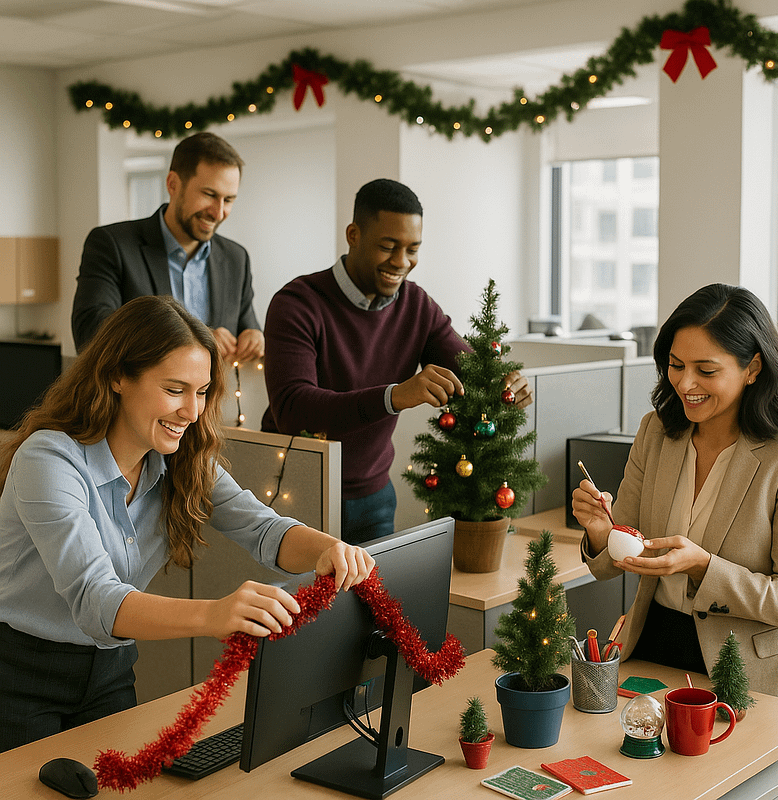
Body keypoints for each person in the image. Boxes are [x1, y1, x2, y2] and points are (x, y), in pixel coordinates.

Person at [0, 295, 374, 752]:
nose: (192, 412)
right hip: (17, 672)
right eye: (175, 390)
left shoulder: (184, 460)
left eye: (201, 393)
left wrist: (329, 549)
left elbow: (264, 530)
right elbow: (94, 597)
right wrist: (214, 614)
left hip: (110, 669)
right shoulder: (48, 459)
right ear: (117, 376)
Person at [260, 179, 532, 544]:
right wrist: (393, 397)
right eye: (388, 246)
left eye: (412, 249)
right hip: (294, 491)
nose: (402, 262)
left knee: (371, 603)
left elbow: (471, 370)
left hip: (374, 499)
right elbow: (293, 409)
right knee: (294, 603)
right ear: (353, 234)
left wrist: (504, 382)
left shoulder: (416, 306)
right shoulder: (297, 303)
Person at [572, 283, 778, 701]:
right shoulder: (656, 431)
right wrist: (601, 532)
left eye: (706, 370)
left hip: (746, 672)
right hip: (653, 648)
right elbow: (619, 558)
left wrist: (704, 568)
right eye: (676, 365)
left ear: (753, 368)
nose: (685, 383)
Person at [71, 132, 265, 363]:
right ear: (173, 184)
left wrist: (253, 335)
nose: (218, 212)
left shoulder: (236, 258)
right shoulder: (112, 244)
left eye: (229, 200)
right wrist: (194, 339)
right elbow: (90, 335)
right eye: (209, 194)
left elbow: (246, 325)